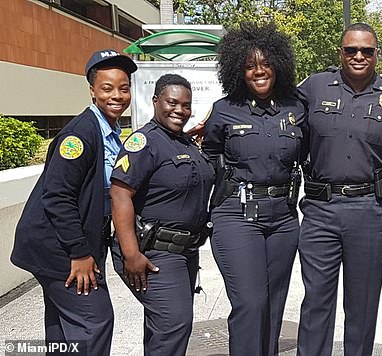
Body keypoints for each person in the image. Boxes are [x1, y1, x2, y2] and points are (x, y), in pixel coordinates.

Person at [296, 22, 382, 356]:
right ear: (341, 52)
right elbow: (277, 116)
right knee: (316, 303)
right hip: (320, 211)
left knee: (362, 307)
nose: (359, 56)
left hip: (369, 210)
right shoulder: (314, 87)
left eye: (367, 50)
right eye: (351, 49)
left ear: (377, 54)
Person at [10, 49, 137, 354]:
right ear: (93, 91)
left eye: (123, 88)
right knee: (95, 321)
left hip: (58, 246)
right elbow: (57, 196)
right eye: (107, 88)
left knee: (62, 330)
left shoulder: (109, 132)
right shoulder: (80, 135)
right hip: (59, 249)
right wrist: (79, 254)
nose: (117, 96)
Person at [201, 22, 303, 356]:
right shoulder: (224, 110)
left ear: (278, 64)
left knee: (273, 304)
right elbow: (208, 158)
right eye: (249, 66)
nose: (259, 71)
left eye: (265, 64)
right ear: (237, 71)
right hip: (237, 215)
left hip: (283, 218)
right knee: (250, 302)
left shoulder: (295, 108)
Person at [110, 74, 214, 356]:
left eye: (186, 105)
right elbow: (120, 194)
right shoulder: (144, 142)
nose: (179, 110)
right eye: (172, 103)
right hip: (153, 252)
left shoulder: (185, 142)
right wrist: (131, 254)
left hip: (184, 252)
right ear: (156, 101)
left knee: (163, 329)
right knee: (174, 324)